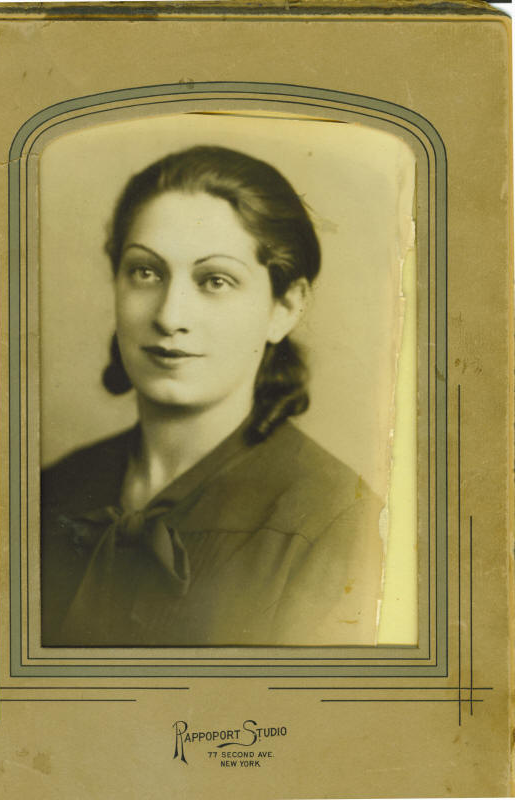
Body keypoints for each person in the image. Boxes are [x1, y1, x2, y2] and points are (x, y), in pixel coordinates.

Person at [40, 145, 383, 647]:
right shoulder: (51, 491)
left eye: (215, 281)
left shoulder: (337, 527)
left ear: (285, 307)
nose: (169, 315)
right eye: (146, 272)